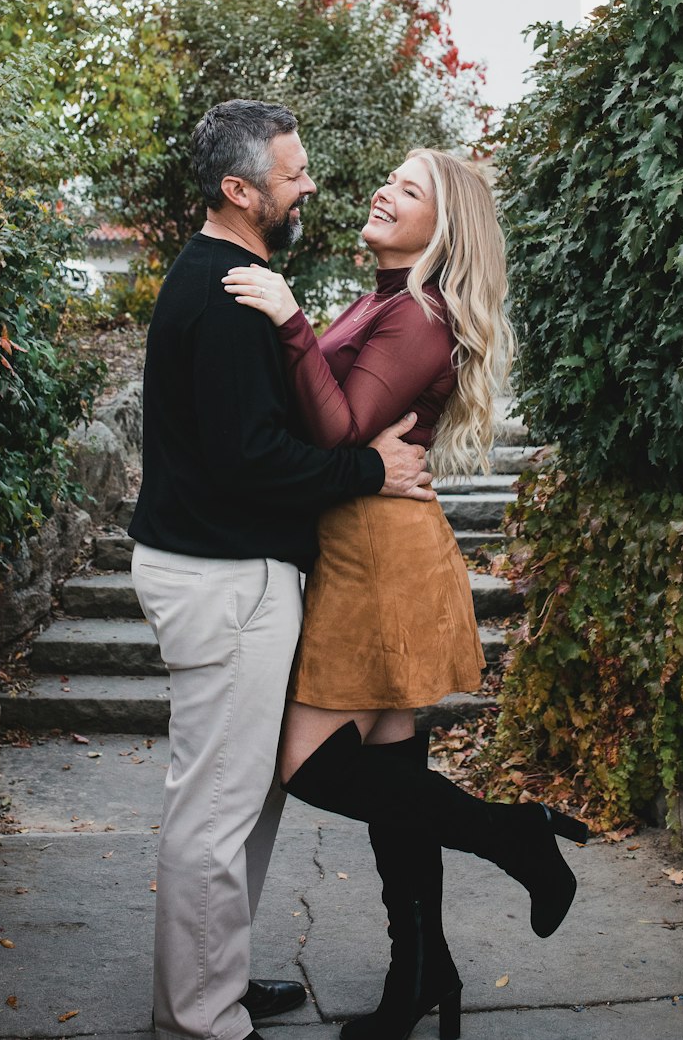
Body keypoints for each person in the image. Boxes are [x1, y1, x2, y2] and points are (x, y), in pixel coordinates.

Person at [223, 148, 588, 1040]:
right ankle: (422, 980)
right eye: (389, 178)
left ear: (445, 228)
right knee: (391, 777)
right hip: (361, 540)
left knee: (305, 762)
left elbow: (342, 426)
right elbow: (341, 428)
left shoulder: (419, 313)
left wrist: (290, 319)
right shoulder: (386, 297)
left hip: (376, 558)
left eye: (411, 189)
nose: (385, 190)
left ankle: (516, 837)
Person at [128, 100, 435, 1040]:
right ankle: (200, 1020)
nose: (310, 185)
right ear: (240, 190)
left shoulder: (234, 276)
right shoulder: (225, 296)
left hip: (235, 571)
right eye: (293, 174)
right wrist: (370, 468)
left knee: (242, 799)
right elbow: (250, 459)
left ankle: (213, 979)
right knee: (217, 810)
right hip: (226, 578)